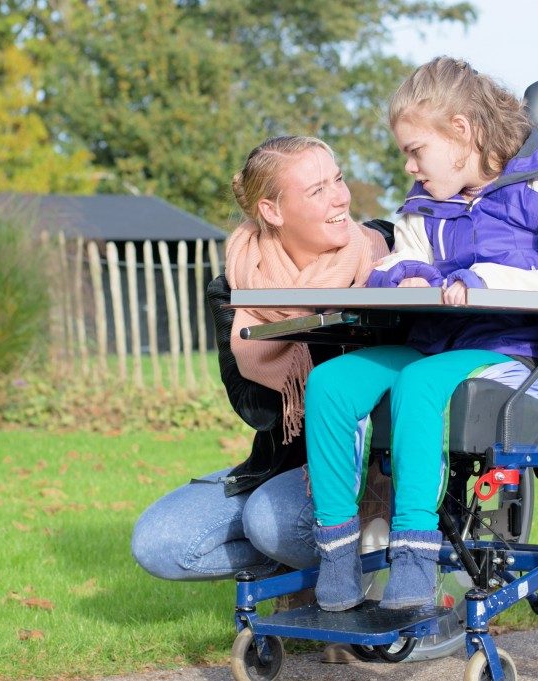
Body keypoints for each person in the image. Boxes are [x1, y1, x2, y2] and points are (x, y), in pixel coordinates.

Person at [304, 57, 538, 612]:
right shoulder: (425, 203)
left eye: (415, 151)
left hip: (514, 354)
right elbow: (410, 259)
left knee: (421, 383)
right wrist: (403, 274)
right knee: (331, 383)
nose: (410, 167)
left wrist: (486, 279)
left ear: (461, 132)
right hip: (435, 343)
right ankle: (336, 558)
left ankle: (416, 560)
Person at [131, 136, 389, 583]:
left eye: (338, 179)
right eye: (316, 190)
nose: (340, 197)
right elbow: (256, 408)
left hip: (377, 464)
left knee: (270, 522)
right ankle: (317, 565)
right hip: (285, 463)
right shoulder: (236, 287)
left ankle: (382, 552)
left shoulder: (383, 258)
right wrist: (298, 318)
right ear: (272, 211)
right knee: (161, 543)